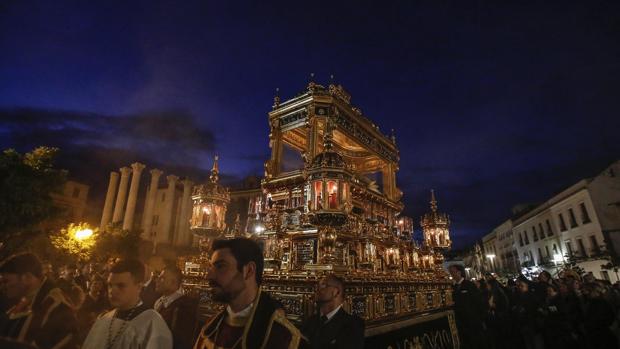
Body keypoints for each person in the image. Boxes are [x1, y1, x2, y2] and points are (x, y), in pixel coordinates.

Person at [194, 238, 304, 349]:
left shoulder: (283, 338)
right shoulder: (210, 329)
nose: (208, 276)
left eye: (221, 266)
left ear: (249, 271)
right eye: (211, 267)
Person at [82, 259, 172, 349]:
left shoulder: (152, 324)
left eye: (121, 286)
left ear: (139, 287)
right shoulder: (104, 319)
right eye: (110, 285)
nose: (112, 291)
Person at [0, 253, 78, 348]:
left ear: (27, 278)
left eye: (6, 281)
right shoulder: (24, 300)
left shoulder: (56, 305)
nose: (2, 286)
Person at [301, 274, 365, 349]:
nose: (317, 289)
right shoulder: (310, 321)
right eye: (317, 286)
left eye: (323, 285)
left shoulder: (353, 324)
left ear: (336, 292)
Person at [154, 265, 198, 349]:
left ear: (173, 282)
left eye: (162, 278)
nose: (157, 280)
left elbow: (180, 342)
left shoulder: (183, 308)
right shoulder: (160, 302)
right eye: (158, 277)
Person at [447, 264, 485, 349]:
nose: (451, 274)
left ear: (459, 272)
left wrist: (480, 318)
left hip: (472, 320)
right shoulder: (453, 287)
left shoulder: (469, 285)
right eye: (450, 272)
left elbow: (478, 301)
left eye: (453, 272)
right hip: (461, 321)